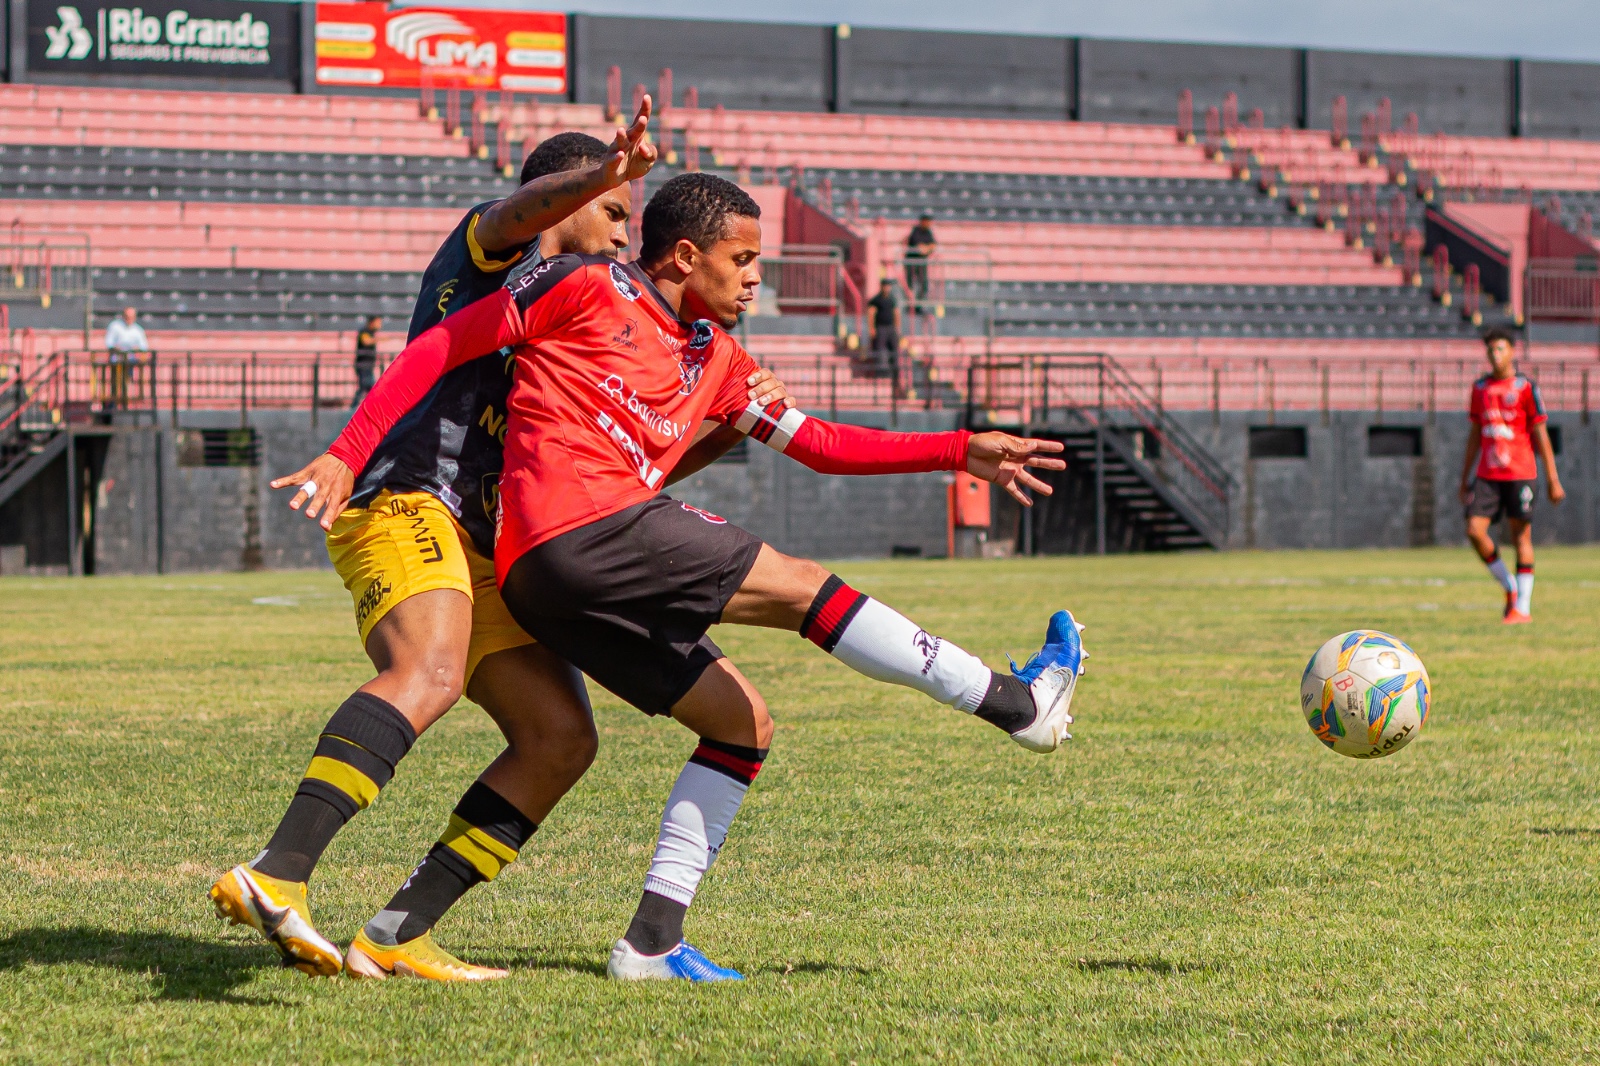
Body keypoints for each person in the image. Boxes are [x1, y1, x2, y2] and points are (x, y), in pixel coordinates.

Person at [285, 173, 1085, 983]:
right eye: (742, 259)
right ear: (684, 256)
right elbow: (443, 343)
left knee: (741, 723)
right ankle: (1014, 703)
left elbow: (820, 444)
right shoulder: (588, 287)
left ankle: (641, 944)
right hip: (578, 529)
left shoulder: (720, 360)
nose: (756, 278)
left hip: (548, 580)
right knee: (804, 585)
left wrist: (958, 448)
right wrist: (349, 451)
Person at [207, 107, 771, 982]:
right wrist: (597, 174)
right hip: (408, 504)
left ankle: (397, 934)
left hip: (487, 546)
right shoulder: (493, 258)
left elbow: (633, 475)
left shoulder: (581, 315)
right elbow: (516, 212)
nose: (624, 235)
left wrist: (730, 427)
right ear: (565, 199)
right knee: (427, 674)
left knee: (559, 736)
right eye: (613, 212)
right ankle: (275, 874)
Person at [1459, 327, 1564, 624]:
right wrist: (1464, 477)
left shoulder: (1525, 387)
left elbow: (1541, 434)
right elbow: (1475, 435)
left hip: (1520, 472)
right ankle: (1510, 586)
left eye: (1500, 349)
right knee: (1474, 530)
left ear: (1512, 352)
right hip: (1488, 474)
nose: (1495, 355)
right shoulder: (1480, 388)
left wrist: (1553, 479)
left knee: (1521, 536)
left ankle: (1523, 608)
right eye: (1491, 350)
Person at [103, 306, 148, 407]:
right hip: (117, 360)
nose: (129, 319)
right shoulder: (115, 327)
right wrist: (117, 348)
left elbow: (143, 346)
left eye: (131, 317)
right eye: (127, 317)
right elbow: (109, 343)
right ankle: (114, 403)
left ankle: (124, 404)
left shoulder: (137, 330)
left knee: (126, 382)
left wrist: (136, 349)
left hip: (129, 361)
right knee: (115, 382)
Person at [904, 212, 937, 312]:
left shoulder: (928, 232)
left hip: (921, 264)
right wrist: (927, 248)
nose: (929, 223)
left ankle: (918, 306)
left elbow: (933, 246)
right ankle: (910, 306)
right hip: (911, 264)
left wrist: (927, 248)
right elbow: (919, 248)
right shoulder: (916, 231)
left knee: (923, 285)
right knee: (910, 285)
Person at [866, 276, 900, 371]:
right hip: (881, 328)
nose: (887, 288)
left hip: (891, 327)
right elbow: (871, 314)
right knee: (880, 349)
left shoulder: (892, 299)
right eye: (886, 286)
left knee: (894, 349)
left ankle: (895, 371)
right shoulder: (876, 300)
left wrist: (897, 327)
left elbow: (896, 313)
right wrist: (872, 328)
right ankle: (881, 371)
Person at [351, 316, 380, 407]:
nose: (379, 325)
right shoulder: (364, 331)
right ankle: (354, 407)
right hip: (363, 365)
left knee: (368, 388)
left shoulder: (371, 333)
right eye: (377, 322)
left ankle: (372, 406)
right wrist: (377, 339)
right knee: (365, 386)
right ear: (372, 322)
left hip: (368, 365)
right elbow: (366, 341)